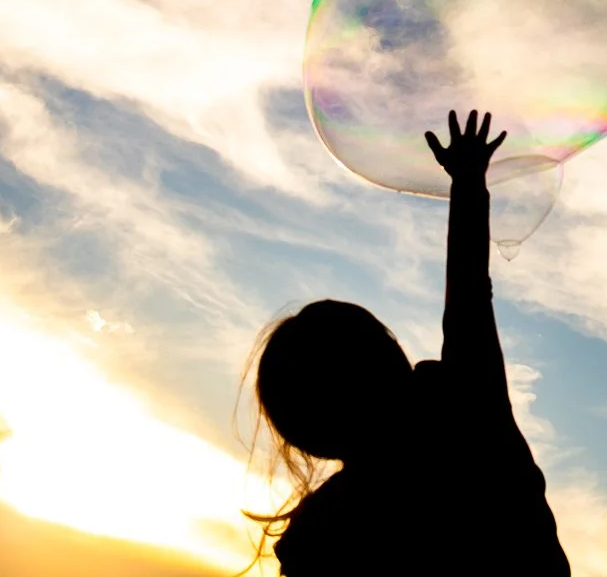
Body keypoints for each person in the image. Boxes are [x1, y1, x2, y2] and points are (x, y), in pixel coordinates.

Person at [242, 110, 571, 576]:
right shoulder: (468, 413)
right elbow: (469, 296)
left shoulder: (319, 536)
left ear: (305, 435)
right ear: (390, 357)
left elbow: (468, 298)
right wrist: (468, 181)